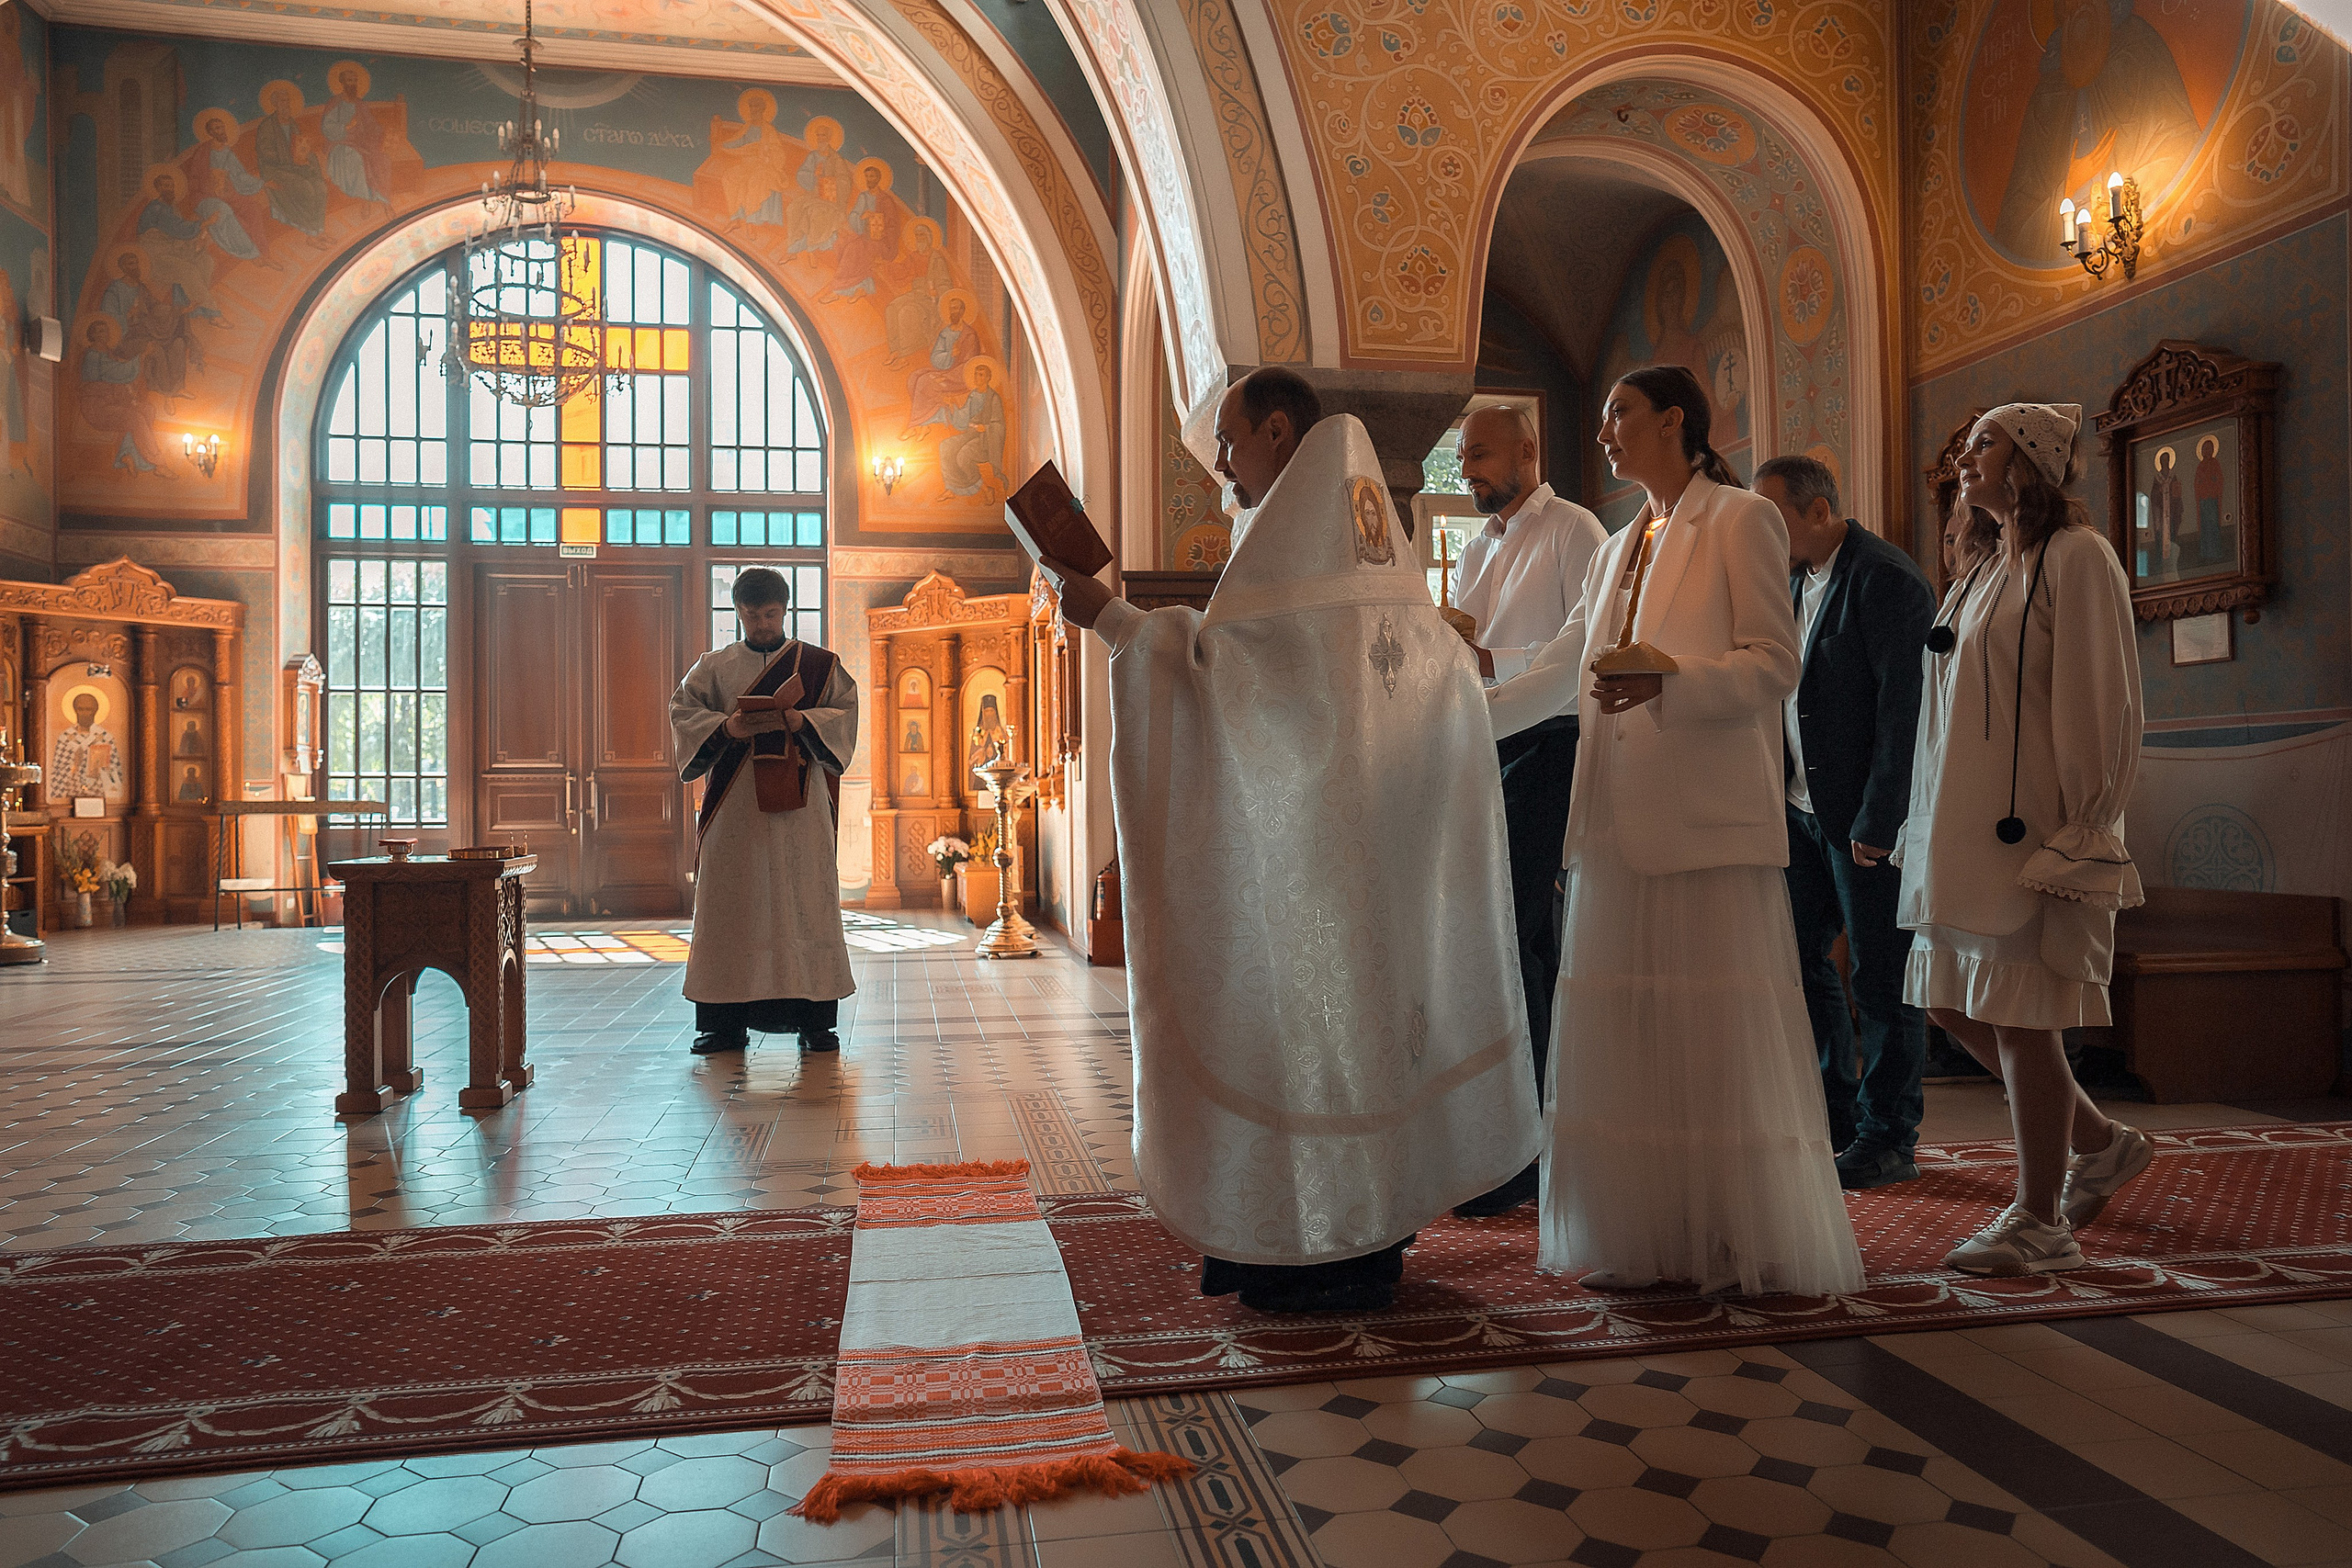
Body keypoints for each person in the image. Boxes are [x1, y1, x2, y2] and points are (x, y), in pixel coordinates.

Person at [1040, 367, 1541, 1314]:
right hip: (1362, 868)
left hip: (1309, 875)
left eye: (1227, 440)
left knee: (1307, 1042)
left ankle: (1308, 1247)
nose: (1220, 461)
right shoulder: (1365, 563)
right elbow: (1416, 680)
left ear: (1277, 432)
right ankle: (1370, 1234)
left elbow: (1221, 685)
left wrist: (1108, 617)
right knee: (1355, 1043)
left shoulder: (1290, 557)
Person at [1488, 364, 1862, 1297]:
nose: (1605, 431)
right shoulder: (1620, 544)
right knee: (1631, 1037)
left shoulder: (1739, 521)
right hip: (1615, 820)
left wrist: (1671, 684)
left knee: (1710, 1031)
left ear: (1674, 420)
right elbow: (1560, 666)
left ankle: (1732, 1233)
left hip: (1702, 819)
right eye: (1606, 413)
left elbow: (1774, 664)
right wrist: (1459, 705)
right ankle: (1652, 1234)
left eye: (1619, 413)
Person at [1897, 402, 2150, 1276]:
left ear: (2031, 459)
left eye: (1983, 443)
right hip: (1962, 831)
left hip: (2034, 832)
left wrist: (2087, 825)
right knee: (1948, 1001)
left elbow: (2098, 697)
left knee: (2021, 1019)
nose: (1964, 458)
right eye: (1965, 443)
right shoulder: (1984, 568)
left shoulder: (2078, 558)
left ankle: (2040, 1218)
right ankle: (2099, 1141)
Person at [1753, 455, 1936, 1190]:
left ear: (1820, 510)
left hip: (1863, 820)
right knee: (1799, 963)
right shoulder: (1793, 579)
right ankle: (1834, 1112)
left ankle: (1890, 1134)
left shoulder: (1885, 579)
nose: (1764, 534)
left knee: (1881, 976)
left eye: (1775, 518)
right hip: (1801, 811)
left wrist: (1881, 818)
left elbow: (1905, 710)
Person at [1445, 403, 1605, 1216]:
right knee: (1505, 941)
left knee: (1519, 936)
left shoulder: (1574, 530)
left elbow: (1587, 638)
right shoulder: (1477, 546)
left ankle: (1531, 1146)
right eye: (1463, 455)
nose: (1467, 467)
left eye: (1479, 453)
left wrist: (1492, 661)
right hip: (1488, 740)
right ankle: (1505, 1137)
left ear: (1528, 450)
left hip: (1551, 739)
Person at [669, 568, 859, 1057]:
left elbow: (845, 714)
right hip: (735, 811)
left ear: (785, 610)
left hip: (800, 809)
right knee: (731, 907)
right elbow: (683, 713)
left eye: (770, 615)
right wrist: (728, 726)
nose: (761, 624)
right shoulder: (713, 667)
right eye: (751, 616)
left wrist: (802, 719)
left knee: (806, 904)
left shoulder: (818, 665)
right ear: (738, 613)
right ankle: (722, 1025)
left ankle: (816, 1022)